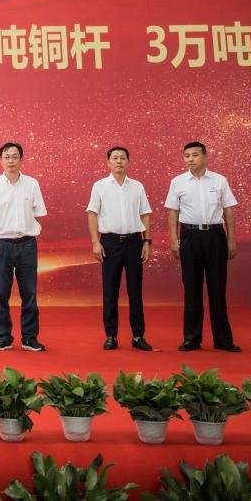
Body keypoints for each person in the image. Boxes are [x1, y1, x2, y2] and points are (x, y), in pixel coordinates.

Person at [165, 141, 241, 352]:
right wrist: (174, 240)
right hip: (189, 236)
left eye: (195, 155)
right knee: (192, 289)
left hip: (215, 236)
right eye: (187, 156)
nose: (191, 159)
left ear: (205, 156)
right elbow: (173, 212)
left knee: (218, 289)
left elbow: (228, 210)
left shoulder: (219, 180)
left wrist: (231, 239)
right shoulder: (177, 182)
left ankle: (223, 340)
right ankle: (191, 338)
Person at [0, 142, 47, 352]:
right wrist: (1, 230)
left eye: (14, 156)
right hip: (1, 245)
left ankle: (29, 338)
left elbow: (39, 213)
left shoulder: (32, 184)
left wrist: (25, 229)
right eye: (7, 157)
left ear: (21, 159)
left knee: (30, 293)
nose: (11, 161)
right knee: (1, 293)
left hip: (27, 244)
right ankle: (3, 337)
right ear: (0, 160)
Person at [86, 146, 154, 351]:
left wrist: (146, 241)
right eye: (114, 158)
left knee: (135, 292)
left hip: (134, 242)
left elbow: (145, 214)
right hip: (110, 242)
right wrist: (95, 242)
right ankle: (111, 336)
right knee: (110, 292)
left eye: (123, 158)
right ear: (108, 163)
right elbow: (92, 214)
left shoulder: (137, 186)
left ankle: (138, 336)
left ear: (128, 162)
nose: (119, 161)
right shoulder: (100, 186)